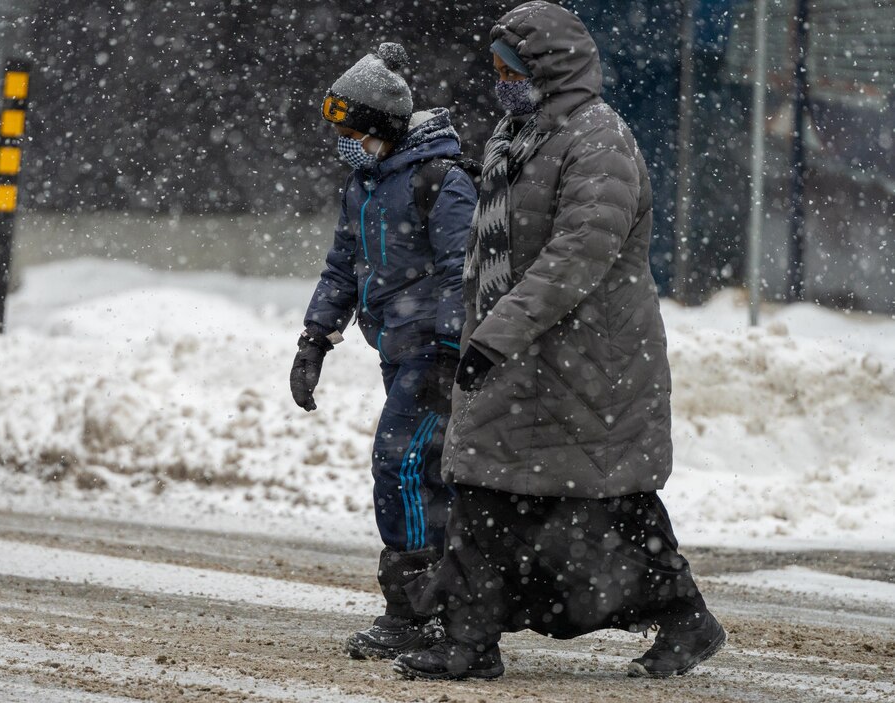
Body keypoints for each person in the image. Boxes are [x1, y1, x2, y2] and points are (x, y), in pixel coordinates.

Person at [393, 1, 725, 681]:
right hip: (530, 355)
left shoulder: (598, 140)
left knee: (599, 496)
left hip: (589, 361)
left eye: (508, 68)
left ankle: (680, 615)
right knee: (493, 488)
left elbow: (578, 254)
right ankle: (470, 634)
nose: (498, 80)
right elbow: (494, 254)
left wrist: (495, 335)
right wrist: (472, 333)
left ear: (547, 68)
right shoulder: (521, 134)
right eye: (494, 67)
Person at [290, 42, 477, 661]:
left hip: (434, 353)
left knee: (400, 466)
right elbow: (343, 266)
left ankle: (418, 611)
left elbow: (461, 271)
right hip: (396, 348)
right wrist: (315, 339)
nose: (341, 140)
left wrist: (451, 348)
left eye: (348, 129)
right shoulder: (365, 183)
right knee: (420, 473)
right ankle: (440, 604)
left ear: (379, 127)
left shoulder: (441, 180)